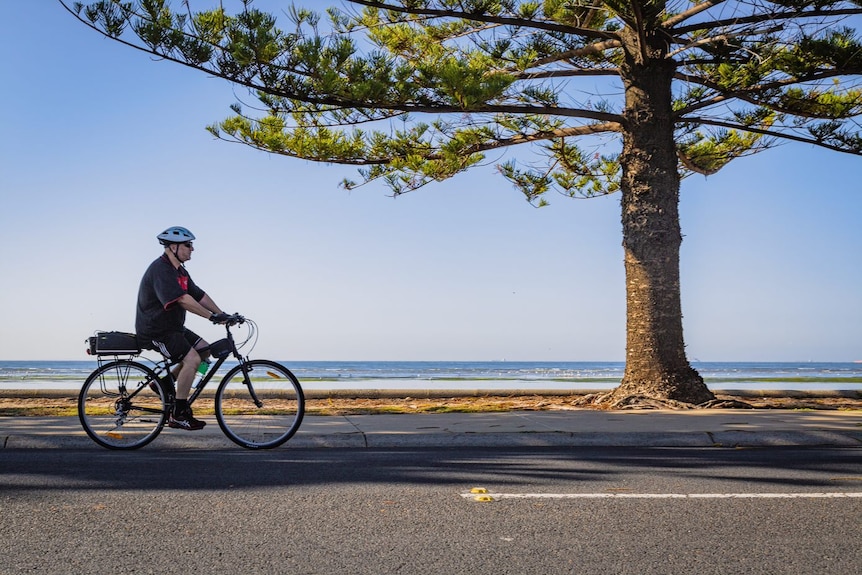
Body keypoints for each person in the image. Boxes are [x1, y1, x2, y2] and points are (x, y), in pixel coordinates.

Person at [136, 226, 230, 430]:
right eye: (188, 245)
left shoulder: (180, 271)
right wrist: (211, 317)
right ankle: (178, 413)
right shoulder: (161, 269)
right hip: (156, 330)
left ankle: (165, 383)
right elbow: (183, 300)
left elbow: (198, 295)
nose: (192, 249)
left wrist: (222, 314)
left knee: (205, 352)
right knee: (192, 359)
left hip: (173, 327)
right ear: (173, 247)